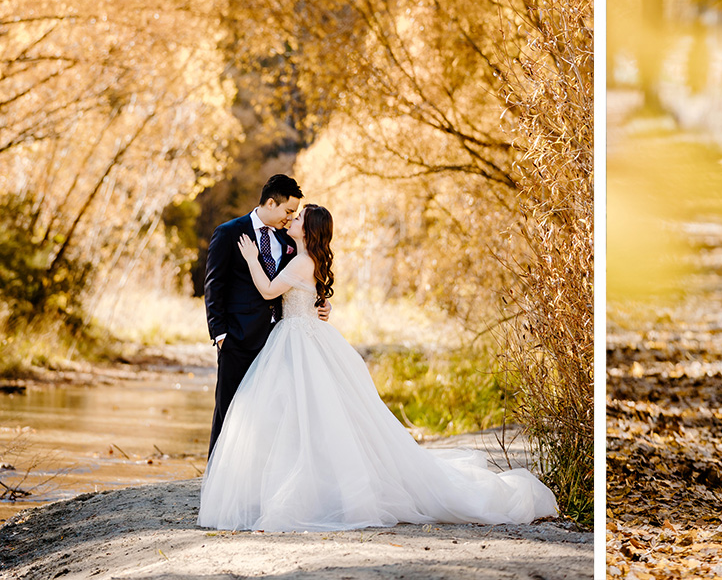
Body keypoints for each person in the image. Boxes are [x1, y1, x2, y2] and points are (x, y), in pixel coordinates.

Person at [198, 204, 559, 531]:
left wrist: (249, 258)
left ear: (309, 229)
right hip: (298, 336)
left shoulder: (302, 259)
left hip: (299, 340)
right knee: (299, 417)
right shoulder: (301, 254)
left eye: (301, 215)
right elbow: (308, 296)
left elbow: (266, 291)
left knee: (303, 415)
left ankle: (304, 492)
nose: (294, 218)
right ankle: (291, 487)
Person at [204, 174, 330, 457]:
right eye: (288, 212)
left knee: (271, 415)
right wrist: (221, 335)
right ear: (271, 203)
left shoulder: (290, 239)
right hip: (237, 338)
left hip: (279, 341)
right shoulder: (229, 232)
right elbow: (214, 285)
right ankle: (215, 479)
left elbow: (304, 281)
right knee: (228, 409)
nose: (290, 218)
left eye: (294, 215)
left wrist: (321, 303)